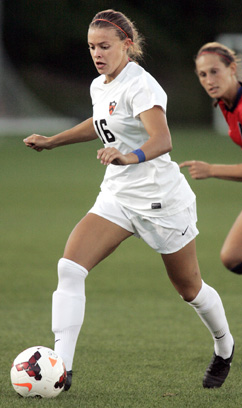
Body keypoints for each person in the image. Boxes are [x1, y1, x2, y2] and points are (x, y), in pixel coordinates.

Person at [23, 12, 234, 390]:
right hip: (118, 197)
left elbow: (161, 140)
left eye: (104, 46)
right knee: (70, 268)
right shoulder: (100, 84)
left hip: (161, 201)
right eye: (91, 47)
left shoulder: (142, 86)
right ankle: (62, 369)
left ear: (127, 45)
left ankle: (224, 346)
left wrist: (128, 155)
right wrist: (53, 141)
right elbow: (100, 122)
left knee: (190, 289)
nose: (97, 54)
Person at [180, 42, 242, 275]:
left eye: (214, 71)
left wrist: (212, 169)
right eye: (203, 75)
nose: (209, 80)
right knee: (233, 256)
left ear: (232, 68)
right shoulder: (227, 105)